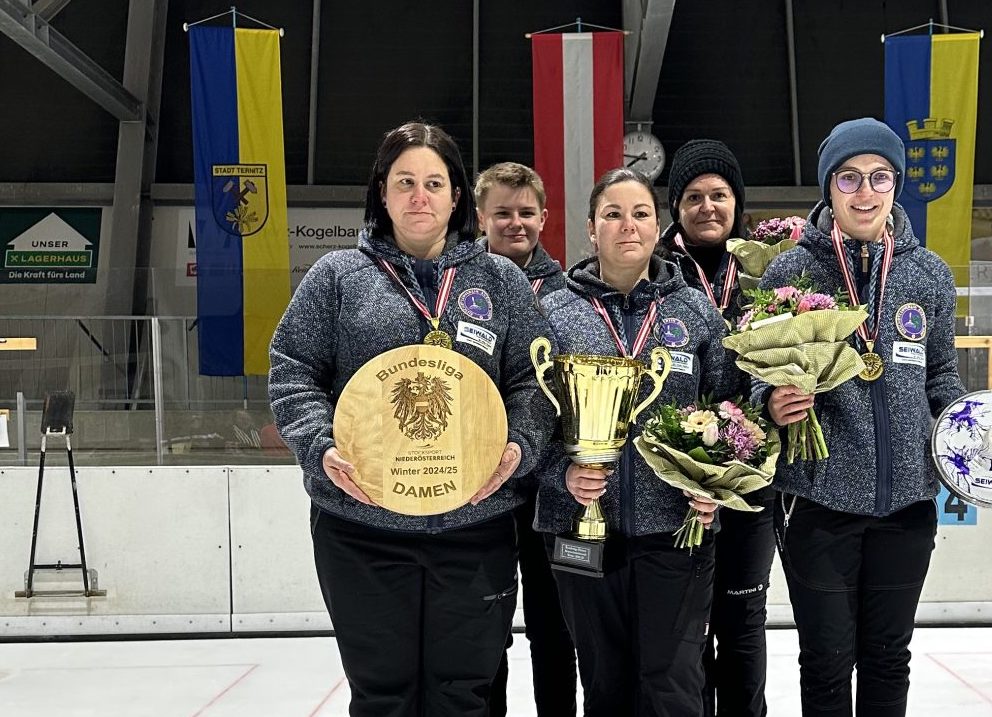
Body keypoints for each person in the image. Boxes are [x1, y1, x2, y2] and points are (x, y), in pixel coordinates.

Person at [268, 121, 556, 717]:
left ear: (457, 197)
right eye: (405, 182)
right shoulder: (337, 277)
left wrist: (520, 446)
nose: (419, 196)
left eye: (434, 182)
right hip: (362, 528)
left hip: (474, 527)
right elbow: (293, 369)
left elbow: (535, 379)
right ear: (382, 192)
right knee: (383, 696)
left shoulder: (499, 280)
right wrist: (320, 446)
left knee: (464, 695)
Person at [755, 118, 966, 716]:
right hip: (817, 503)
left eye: (878, 176)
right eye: (849, 177)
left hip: (907, 504)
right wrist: (770, 403)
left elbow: (941, 374)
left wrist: (964, 422)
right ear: (829, 188)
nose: (864, 191)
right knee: (826, 658)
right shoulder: (789, 272)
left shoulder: (928, 275)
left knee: (888, 656)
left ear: (896, 184)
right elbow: (755, 375)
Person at [536, 167, 736, 716]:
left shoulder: (694, 311)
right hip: (579, 529)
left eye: (641, 213)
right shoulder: (552, 313)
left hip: (676, 530)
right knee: (604, 685)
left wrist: (713, 484)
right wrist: (562, 474)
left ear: (658, 226)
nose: (628, 226)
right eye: (613, 214)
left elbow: (731, 408)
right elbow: (525, 420)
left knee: (672, 684)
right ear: (591, 229)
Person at [658, 139, 773, 717]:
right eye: (694, 196)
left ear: (737, 203)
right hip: (677, 474)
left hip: (753, 473)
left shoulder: (766, 273)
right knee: (687, 625)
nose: (708, 206)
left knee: (744, 616)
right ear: (675, 206)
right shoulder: (655, 275)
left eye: (720, 195)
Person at [474, 161, 575, 717]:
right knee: (487, 622)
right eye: (503, 213)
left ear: (544, 217)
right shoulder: (455, 287)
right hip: (480, 481)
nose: (516, 223)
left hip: (551, 483)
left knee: (553, 622)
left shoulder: (569, 290)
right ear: (480, 216)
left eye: (526, 213)